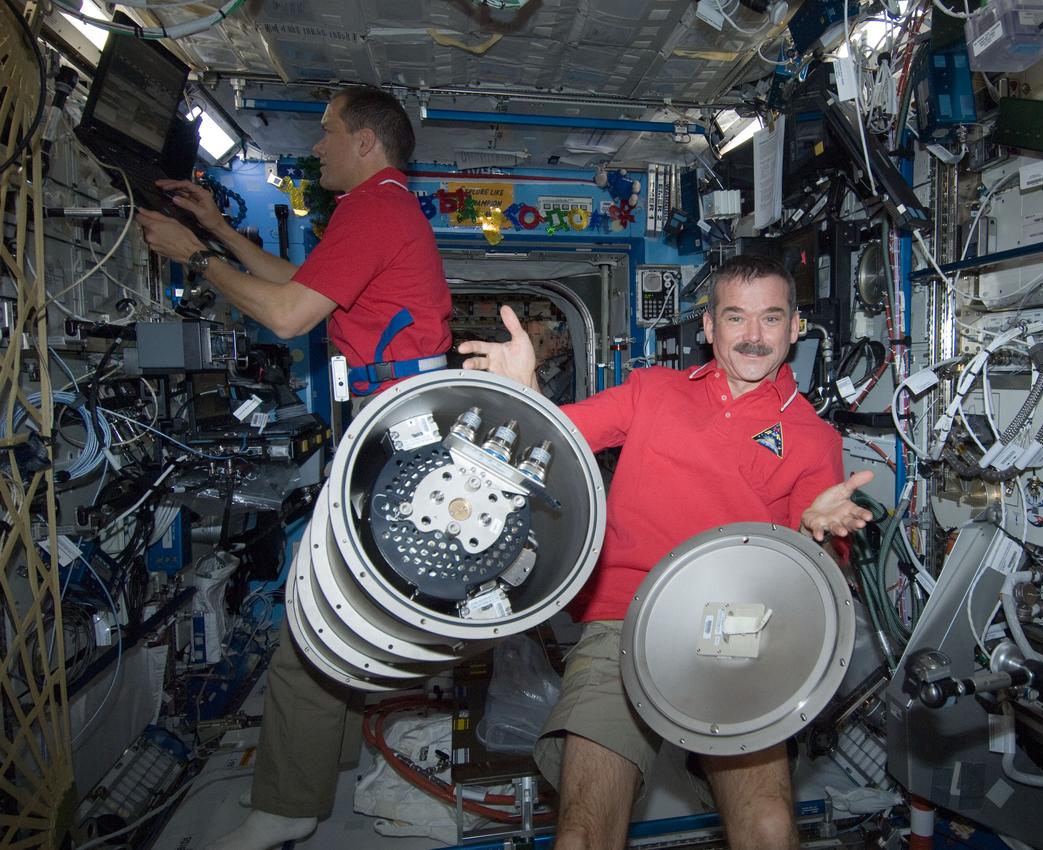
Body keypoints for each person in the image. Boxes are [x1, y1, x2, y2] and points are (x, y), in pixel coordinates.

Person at [458, 254, 873, 850]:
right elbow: (558, 438)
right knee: (581, 831)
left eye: (771, 318)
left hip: (741, 632)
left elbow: (821, 580)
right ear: (708, 328)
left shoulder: (813, 438)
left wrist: (813, 534)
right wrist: (524, 391)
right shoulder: (651, 391)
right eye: (736, 318)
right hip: (627, 617)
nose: (754, 337)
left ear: (795, 326)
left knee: (771, 828)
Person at [137, 86, 452, 850]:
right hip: (394, 438)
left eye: (327, 132)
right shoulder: (382, 206)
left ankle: (287, 806)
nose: (317, 147)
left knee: (317, 617)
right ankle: (323, 767)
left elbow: (285, 316)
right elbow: (298, 285)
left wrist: (198, 257)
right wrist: (215, 225)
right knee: (342, 615)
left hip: (392, 446)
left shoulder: (373, 208)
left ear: (367, 143)